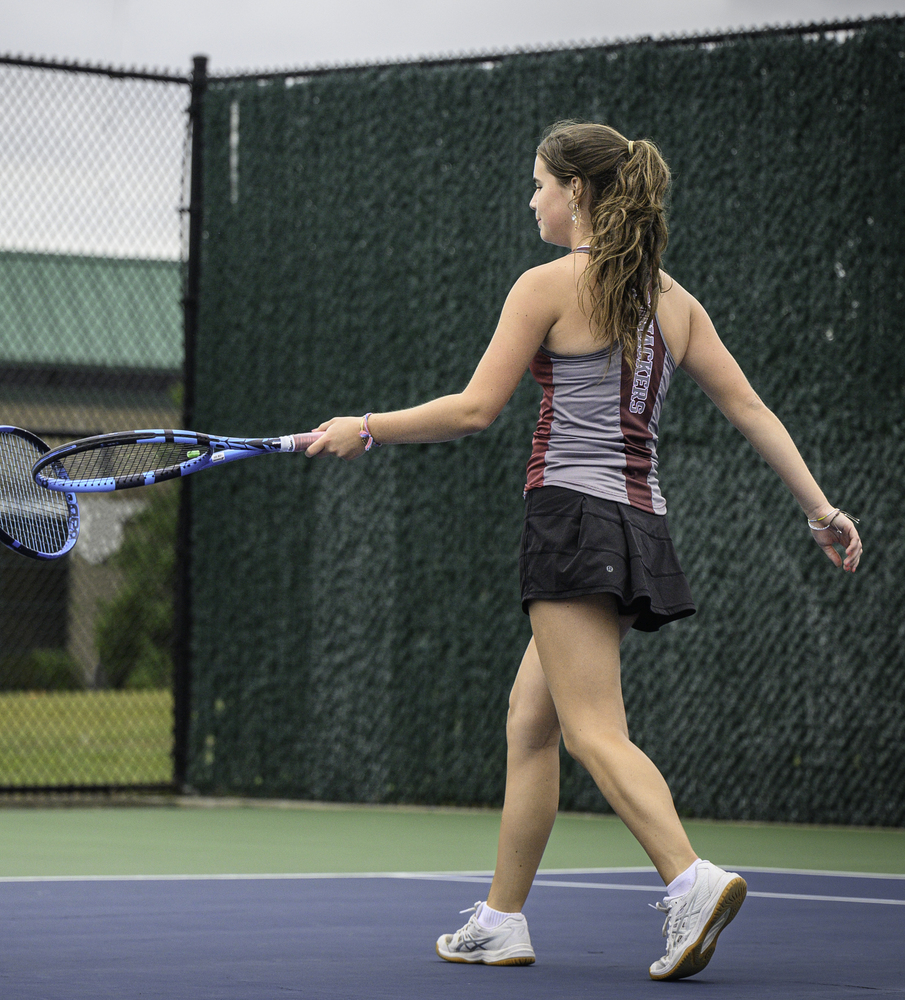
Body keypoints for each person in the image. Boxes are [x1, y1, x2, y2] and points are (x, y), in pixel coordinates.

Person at [306, 120, 862, 982]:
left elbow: (474, 409)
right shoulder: (674, 302)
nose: (532, 199)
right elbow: (751, 410)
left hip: (570, 521)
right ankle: (501, 919)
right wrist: (821, 509)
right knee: (532, 722)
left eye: (539, 184)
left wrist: (364, 428)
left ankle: (689, 881)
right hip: (637, 527)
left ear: (580, 193)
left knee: (594, 730)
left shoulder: (547, 287)